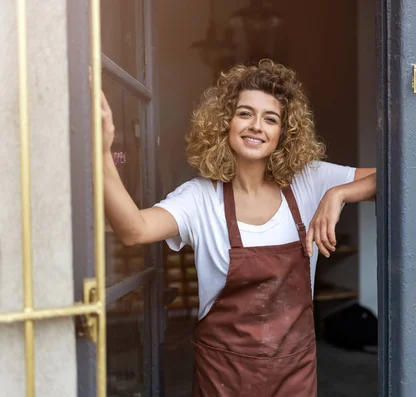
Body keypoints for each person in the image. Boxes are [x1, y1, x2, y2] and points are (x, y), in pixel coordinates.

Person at [101, 59, 376, 396]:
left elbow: (395, 175)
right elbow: (135, 230)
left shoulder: (310, 179)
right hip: (224, 377)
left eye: (270, 118)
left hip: (295, 372)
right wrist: (102, 153)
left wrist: (339, 193)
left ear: (284, 132)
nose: (256, 126)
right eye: (245, 113)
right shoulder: (200, 198)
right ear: (225, 122)